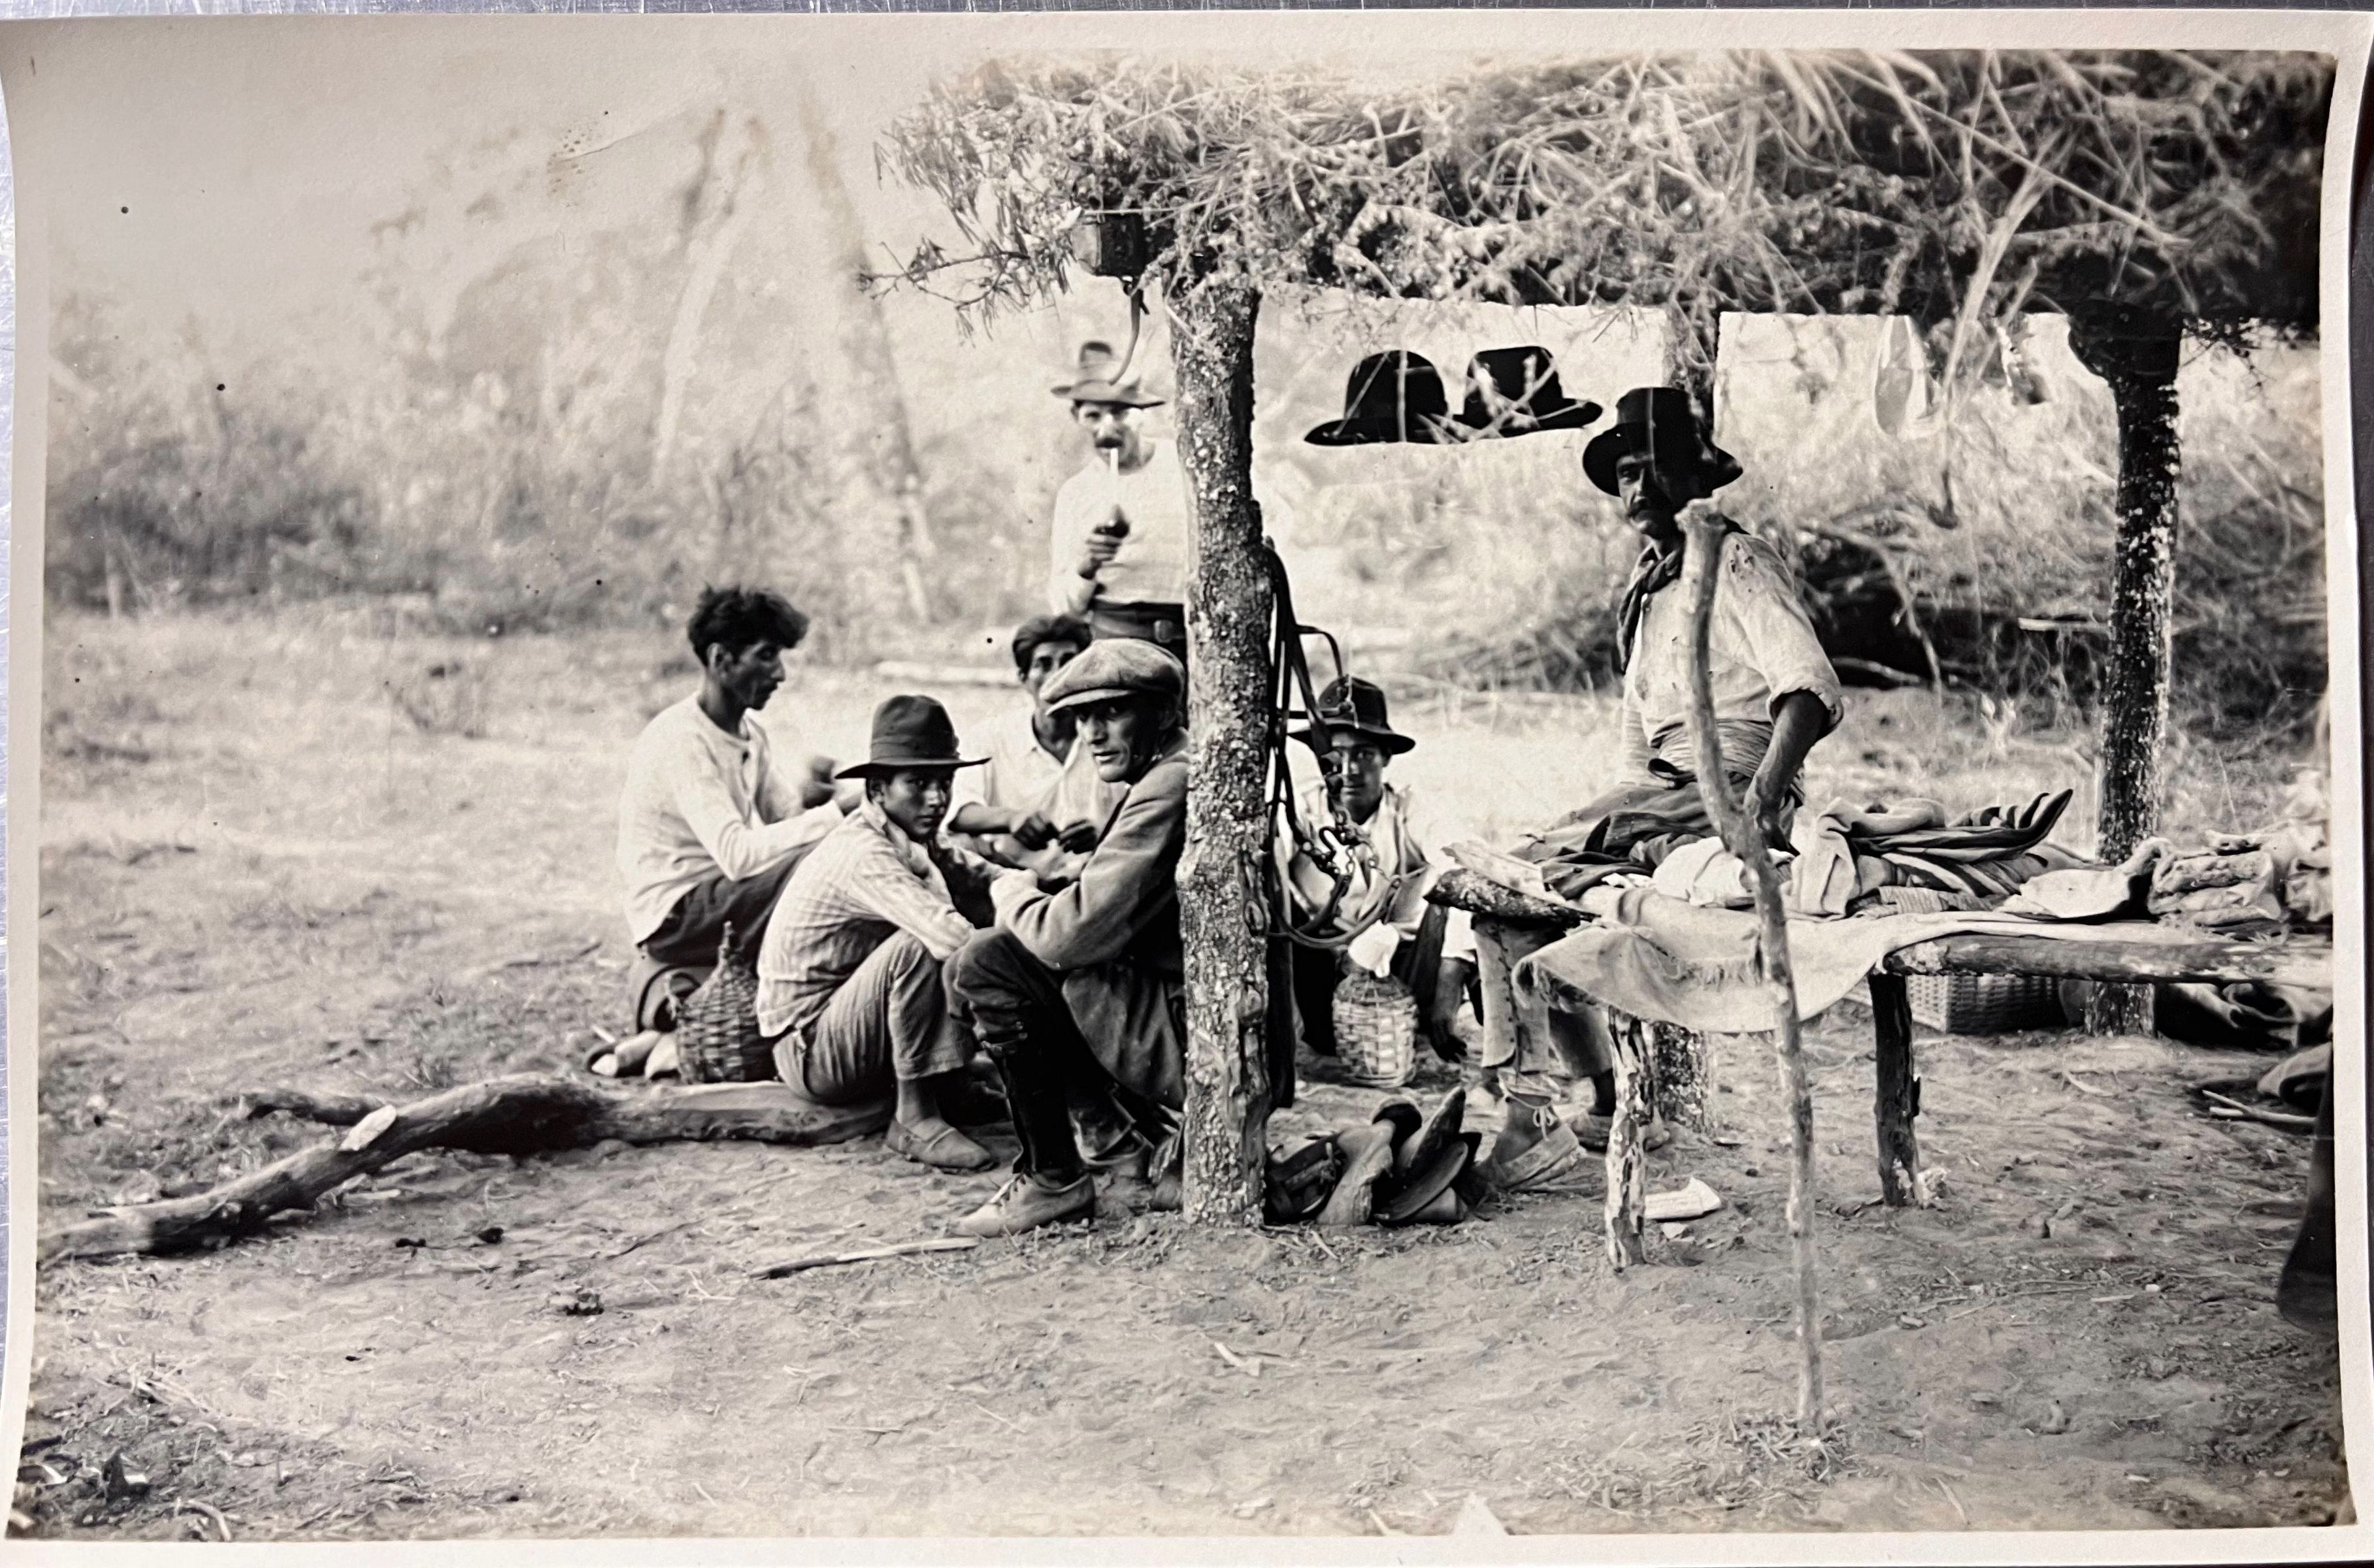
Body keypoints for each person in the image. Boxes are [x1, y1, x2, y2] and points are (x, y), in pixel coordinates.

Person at [1478, 386, 1843, 1190]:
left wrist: (1754, 812)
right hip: (1666, 795)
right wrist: (1613, 826)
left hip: (1735, 782)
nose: (1637, 490)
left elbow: (1811, 692)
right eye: (1624, 477)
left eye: (1651, 471)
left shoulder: (1736, 560)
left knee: (1521, 877)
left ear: (1694, 479)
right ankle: (1590, 1103)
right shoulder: (1651, 590)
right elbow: (1639, 748)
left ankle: (1532, 1117)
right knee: (1506, 884)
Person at [942, 640, 1190, 1237]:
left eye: (1110, 712)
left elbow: (1067, 938)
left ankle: (1054, 1177)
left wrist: (1013, 891)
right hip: (1188, 1012)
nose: (1092, 735)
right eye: (1082, 717)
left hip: (1193, 1036)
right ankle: (1113, 1140)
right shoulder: (1167, 772)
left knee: (988, 962)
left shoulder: (1168, 785)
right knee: (995, 961)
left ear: (1162, 712)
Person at [754, 696, 1004, 1173]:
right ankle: (914, 1118)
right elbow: (948, 938)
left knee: (956, 912)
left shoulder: (910, 833)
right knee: (922, 943)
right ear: (877, 789)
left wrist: (1038, 895)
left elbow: (980, 874)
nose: (937, 799)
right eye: (919, 784)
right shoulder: (864, 852)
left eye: (945, 783)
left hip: (848, 1027)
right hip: (811, 1049)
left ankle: (948, 1084)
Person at [616, 586, 845, 1004]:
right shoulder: (683, 739)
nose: (780, 674)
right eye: (766, 656)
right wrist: (836, 815)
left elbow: (784, 820)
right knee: (824, 864)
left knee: (832, 854)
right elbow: (738, 855)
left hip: (716, 900)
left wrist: (811, 801)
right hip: (676, 915)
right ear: (722, 661)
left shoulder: (750, 734)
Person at [1278, 676, 1477, 1061]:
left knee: (1456, 899)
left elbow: (1463, 865)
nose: (1349, 770)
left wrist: (1451, 978)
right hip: (1318, 970)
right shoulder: (1301, 810)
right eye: (1335, 757)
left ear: (1386, 757)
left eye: (1364, 754)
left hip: (1399, 972)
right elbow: (1269, 859)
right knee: (1277, 895)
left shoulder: (1409, 810)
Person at [1044, 342, 1194, 666]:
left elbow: (1272, 515)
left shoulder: (1185, 466)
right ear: (1077, 417)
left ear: (1141, 414)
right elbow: (1066, 607)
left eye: (1120, 413)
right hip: (1116, 647)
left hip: (1194, 641)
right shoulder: (1077, 493)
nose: (1107, 428)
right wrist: (1089, 562)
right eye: (1093, 416)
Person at [946, 613, 1123, 879]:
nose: (1057, 675)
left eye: (1068, 662)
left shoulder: (1110, 740)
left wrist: (1104, 836)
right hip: (1012, 882)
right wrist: (1011, 818)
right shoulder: (994, 737)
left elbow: (1142, 816)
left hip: (1094, 883)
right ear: (1023, 677)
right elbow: (958, 810)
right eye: (1043, 664)